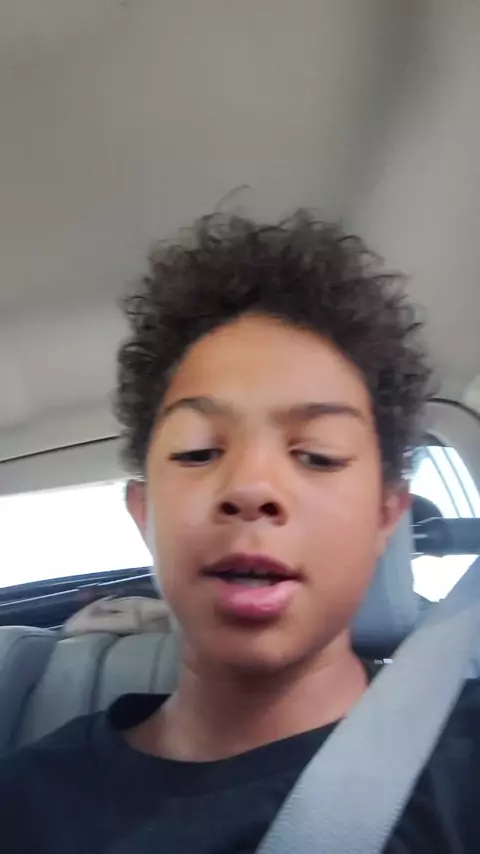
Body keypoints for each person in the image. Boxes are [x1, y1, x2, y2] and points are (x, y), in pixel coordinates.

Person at [0, 211, 478, 853]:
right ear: (144, 513)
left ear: (385, 518)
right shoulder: (24, 805)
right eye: (199, 451)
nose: (252, 488)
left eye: (318, 455)